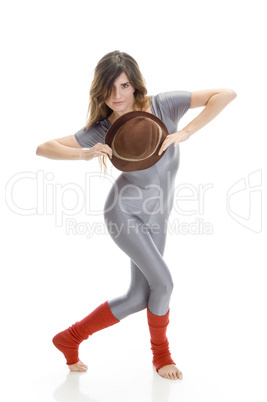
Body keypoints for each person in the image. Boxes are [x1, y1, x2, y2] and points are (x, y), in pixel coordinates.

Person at [36, 50, 236, 380]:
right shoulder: (102, 130)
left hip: (159, 216)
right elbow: (43, 148)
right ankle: (162, 356)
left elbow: (225, 94)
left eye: (124, 85)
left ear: (135, 85)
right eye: (109, 88)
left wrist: (185, 132)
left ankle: (68, 339)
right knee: (165, 283)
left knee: (140, 295)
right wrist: (85, 154)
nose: (117, 95)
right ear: (99, 90)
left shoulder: (163, 105)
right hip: (124, 213)